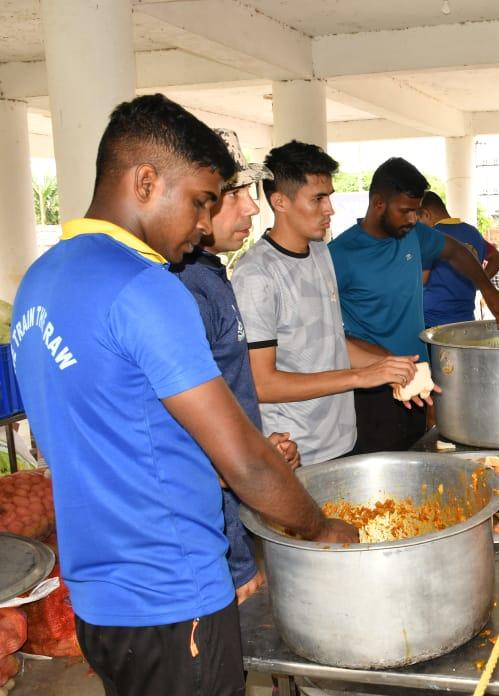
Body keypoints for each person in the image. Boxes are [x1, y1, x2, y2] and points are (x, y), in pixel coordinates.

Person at [9, 94, 356, 696]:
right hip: (174, 595)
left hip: (97, 599)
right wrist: (319, 528)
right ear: (146, 181)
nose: (204, 223)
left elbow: (89, 430)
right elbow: (243, 461)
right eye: (200, 200)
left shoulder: (41, 279)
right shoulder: (149, 288)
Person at [170, 128, 300, 605]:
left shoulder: (209, 276)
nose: (251, 207)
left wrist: (257, 448)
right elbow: (181, 437)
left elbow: (214, 405)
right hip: (211, 543)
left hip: (232, 523)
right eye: (232, 194)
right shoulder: (186, 291)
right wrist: (235, 561)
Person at [233, 141, 419, 465]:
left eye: (329, 196)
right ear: (280, 202)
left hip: (343, 437)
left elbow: (330, 344)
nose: (329, 208)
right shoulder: (256, 274)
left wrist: (391, 365)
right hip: (294, 449)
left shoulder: (320, 252)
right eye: (318, 198)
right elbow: (262, 383)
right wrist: (361, 377)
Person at [328, 157, 499, 452]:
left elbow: (455, 252)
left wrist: (488, 290)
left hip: (419, 381)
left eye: (416, 211)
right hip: (373, 391)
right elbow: (327, 333)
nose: (413, 219)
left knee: (418, 458)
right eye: (405, 211)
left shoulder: (413, 235)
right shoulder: (339, 255)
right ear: (378, 203)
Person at [419, 191, 499, 327]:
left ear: (426, 214)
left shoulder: (431, 236)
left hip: (433, 320)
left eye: (417, 221)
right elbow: (498, 259)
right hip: (466, 319)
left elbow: (422, 279)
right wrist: (479, 282)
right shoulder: (473, 233)